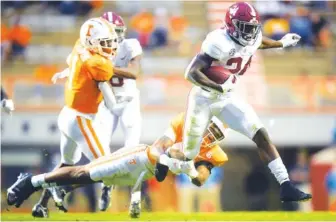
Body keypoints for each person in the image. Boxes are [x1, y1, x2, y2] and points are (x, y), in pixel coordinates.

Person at [180, 2, 311, 203]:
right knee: (189, 152)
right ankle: (165, 160)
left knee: (260, 134)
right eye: (245, 28)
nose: (250, 33)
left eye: (252, 27)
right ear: (232, 25)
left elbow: (258, 42)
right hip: (204, 98)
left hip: (227, 97)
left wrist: (281, 43)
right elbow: (191, 73)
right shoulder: (217, 42)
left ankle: (286, 185)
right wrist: (218, 87)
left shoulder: (252, 36)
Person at [7, 113, 228, 218]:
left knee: (89, 178)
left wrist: (193, 172)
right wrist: (170, 158)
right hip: (140, 158)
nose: (210, 136)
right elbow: (159, 148)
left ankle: (54, 188)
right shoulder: (184, 124)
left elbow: (201, 179)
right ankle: (31, 182)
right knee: (85, 171)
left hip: (142, 175)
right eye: (211, 129)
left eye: (216, 135)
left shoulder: (212, 153)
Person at [31, 17, 127, 218]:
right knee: (105, 167)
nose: (110, 46)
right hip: (81, 118)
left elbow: (76, 66)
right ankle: (53, 187)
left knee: (66, 164)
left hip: (68, 114)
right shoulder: (98, 63)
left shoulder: (80, 47)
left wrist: (65, 73)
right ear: (92, 41)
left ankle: (41, 204)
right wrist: (119, 102)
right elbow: (110, 101)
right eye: (105, 42)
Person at [51, 11, 143, 211]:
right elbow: (90, 73)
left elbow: (134, 72)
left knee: (72, 162)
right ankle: (41, 184)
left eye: (116, 35)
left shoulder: (85, 47)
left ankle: (133, 198)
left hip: (110, 106)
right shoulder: (95, 60)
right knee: (105, 164)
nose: (113, 42)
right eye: (108, 39)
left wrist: (100, 68)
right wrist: (102, 70)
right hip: (92, 112)